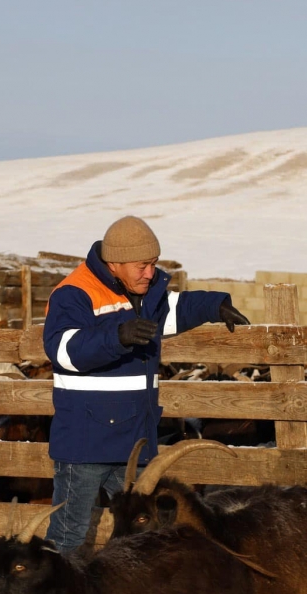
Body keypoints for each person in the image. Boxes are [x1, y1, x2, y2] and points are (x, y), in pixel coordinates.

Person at [42, 216, 250, 552]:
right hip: (85, 442)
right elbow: (64, 350)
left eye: (154, 265)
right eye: (143, 266)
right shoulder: (74, 294)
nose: (150, 273)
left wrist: (215, 305)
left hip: (133, 441)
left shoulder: (144, 292)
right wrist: (117, 336)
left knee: (144, 534)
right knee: (68, 534)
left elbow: (173, 308)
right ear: (116, 262)